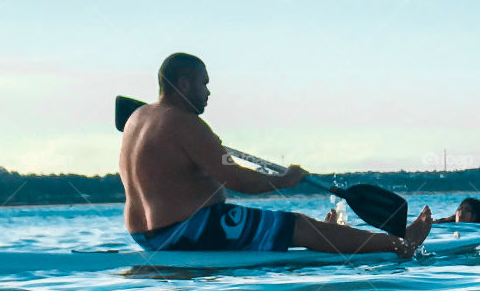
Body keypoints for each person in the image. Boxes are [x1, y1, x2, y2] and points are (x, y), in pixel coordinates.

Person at [119, 53, 432, 257]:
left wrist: (211, 148)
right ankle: (399, 242)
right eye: (204, 84)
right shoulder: (187, 124)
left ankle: (333, 235)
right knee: (300, 226)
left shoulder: (138, 119)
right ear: (184, 84)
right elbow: (239, 180)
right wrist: (286, 179)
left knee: (298, 227)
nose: (209, 93)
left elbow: (196, 166)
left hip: (145, 237)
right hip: (187, 232)